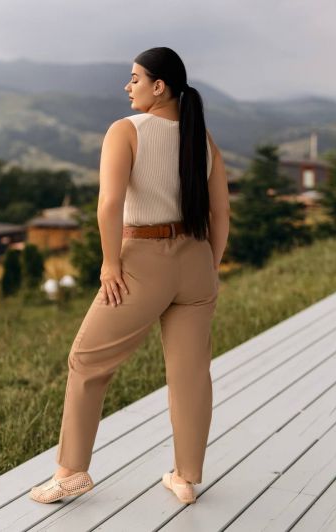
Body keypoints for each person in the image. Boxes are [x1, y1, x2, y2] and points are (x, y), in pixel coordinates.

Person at [29, 46, 230, 505]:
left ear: (159, 86)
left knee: (87, 361)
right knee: (191, 374)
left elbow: (109, 205)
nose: (128, 86)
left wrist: (110, 263)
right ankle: (186, 478)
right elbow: (221, 213)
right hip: (196, 262)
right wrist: (209, 265)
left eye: (135, 78)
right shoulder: (202, 138)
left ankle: (71, 472)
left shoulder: (125, 130)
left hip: (142, 261)